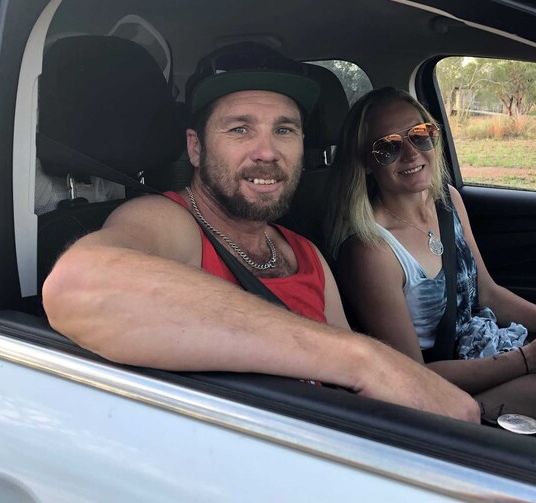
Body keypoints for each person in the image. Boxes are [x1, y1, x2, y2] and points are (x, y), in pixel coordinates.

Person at [42, 43, 480, 423]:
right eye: (239, 129)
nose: (267, 152)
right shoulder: (170, 223)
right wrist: (365, 359)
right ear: (196, 147)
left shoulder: (306, 255)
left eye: (284, 130)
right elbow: (76, 285)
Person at [326, 87, 536, 423]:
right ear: (366, 163)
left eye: (420, 135)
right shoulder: (371, 249)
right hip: (446, 391)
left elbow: (487, 293)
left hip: (489, 351)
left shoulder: (446, 201)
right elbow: (411, 375)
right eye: (387, 147)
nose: (411, 153)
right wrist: (528, 359)